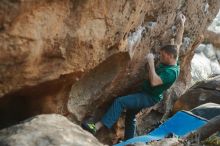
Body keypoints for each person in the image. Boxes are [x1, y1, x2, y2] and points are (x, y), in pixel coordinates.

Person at [82, 13, 186, 140]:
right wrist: (182, 24)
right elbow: (178, 43)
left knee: (120, 102)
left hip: (148, 97)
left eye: (163, 56)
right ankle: (130, 141)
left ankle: (96, 127)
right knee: (130, 116)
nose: (161, 57)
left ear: (170, 56)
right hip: (147, 93)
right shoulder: (175, 57)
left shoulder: (171, 72)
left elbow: (154, 81)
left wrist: (151, 62)